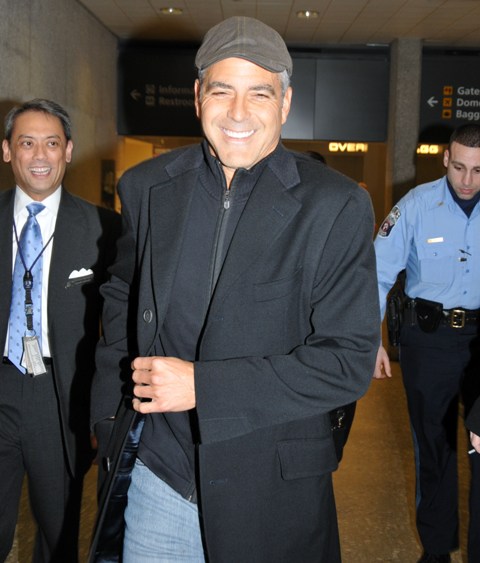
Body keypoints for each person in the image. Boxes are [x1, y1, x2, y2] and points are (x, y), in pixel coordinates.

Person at [89, 16, 380, 563]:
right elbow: (122, 294)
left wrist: (203, 387)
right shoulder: (148, 187)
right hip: (160, 477)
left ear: (285, 103)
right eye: (222, 91)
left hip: (269, 489)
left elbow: (346, 362)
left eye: (259, 94)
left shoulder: (334, 205)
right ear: (199, 96)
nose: (238, 113)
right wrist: (109, 414)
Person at [0, 99, 121, 563]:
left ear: (68, 150)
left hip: (60, 398)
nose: (39, 156)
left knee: (58, 532)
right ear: (7, 151)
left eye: (51, 143)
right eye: (26, 143)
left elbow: (119, 329)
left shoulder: (104, 230)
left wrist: (103, 412)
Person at [373, 124, 480, 563]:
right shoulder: (416, 205)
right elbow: (377, 272)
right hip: (429, 341)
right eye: (459, 167)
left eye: (478, 170)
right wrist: (372, 340)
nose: (467, 180)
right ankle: (436, 551)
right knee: (434, 448)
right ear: (445, 159)